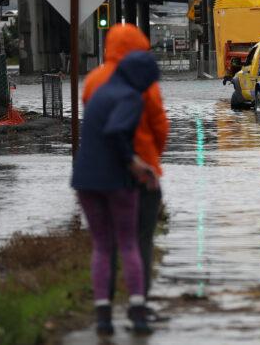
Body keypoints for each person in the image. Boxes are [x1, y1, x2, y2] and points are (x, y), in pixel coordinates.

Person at [83, 24, 169, 322]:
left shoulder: (93, 80)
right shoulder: (143, 83)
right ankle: (139, 306)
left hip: (101, 170)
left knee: (104, 243)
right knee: (139, 239)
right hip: (140, 171)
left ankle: (104, 307)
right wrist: (152, 158)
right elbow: (160, 126)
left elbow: (93, 124)